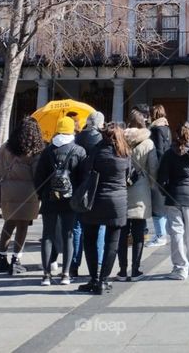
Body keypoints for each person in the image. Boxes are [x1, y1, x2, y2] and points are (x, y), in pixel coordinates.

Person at [77, 124, 131, 294]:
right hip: (117, 202)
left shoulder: (96, 151)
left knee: (89, 240)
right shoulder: (125, 153)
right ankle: (103, 280)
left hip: (95, 200)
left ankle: (94, 278)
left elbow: (86, 170)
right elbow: (129, 175)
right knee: (112, 243)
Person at [34, 116, 87, 286]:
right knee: (68, 235)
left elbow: (38, 177)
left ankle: (46, 275)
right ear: (72, 131)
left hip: (49, 199)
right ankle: (65, 274)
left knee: (47, 236)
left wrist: (41, 195)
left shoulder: (47, 151)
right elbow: (83, 178)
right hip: (70, 199)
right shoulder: (79, 151)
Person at [158, 121, 189, 280]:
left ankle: (180, 268)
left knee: (176, 234)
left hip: (173, 198)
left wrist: (166, 192)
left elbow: (161, 180)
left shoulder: (169, 154)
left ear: (175, 135)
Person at [0, 118, 44, 276]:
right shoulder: (35, 151)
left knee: (8, 225)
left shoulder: (5, 147)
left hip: (7, 191)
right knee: (22, 226)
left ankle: (2, 259)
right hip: (28, 193)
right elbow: (38, 174)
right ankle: (16, 260)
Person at [118, 111, 157, 282]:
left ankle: (122, 270)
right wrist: (151, 185)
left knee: (122, 233)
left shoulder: (120, 140)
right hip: (140, 190)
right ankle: (135, 270)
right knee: (139, 233)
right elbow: (153, 168)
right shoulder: (148, 143)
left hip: (121, 190)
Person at [71, 111, 105, 277]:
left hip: (79, 187)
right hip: (97, 187)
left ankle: (74, 265)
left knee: (77, 227)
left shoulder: (77, 138)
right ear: (100, 124)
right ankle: (98, 264)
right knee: (100, 227)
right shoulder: (102, 140)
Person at [147, 104, 171, 247]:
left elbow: (159, 151)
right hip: (166, 169)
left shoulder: (155, 129)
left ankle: (160, 235)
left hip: (157, 170)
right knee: (162, 203)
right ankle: (163, 233)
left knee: (156, 205)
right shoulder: (167, 128)